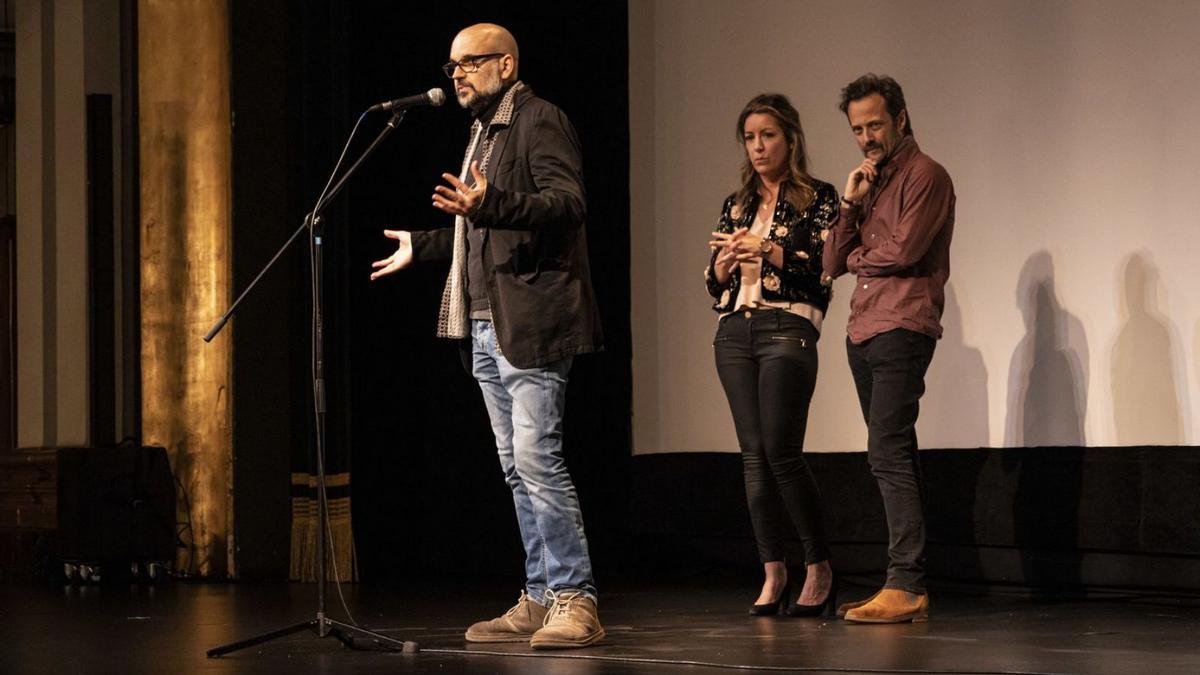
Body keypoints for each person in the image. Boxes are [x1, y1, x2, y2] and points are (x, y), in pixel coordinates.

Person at [369, 23, 605, 649]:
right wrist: (423, 246)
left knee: (538, 461)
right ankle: (537, 596)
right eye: (452, 67)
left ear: (505, 63)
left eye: (469, 63)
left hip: (532, 321)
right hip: (483, 321)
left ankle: (576, 600)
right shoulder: (482, 131)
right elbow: (481, 226)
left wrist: (490, 203)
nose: (458, 76)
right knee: (514, 470)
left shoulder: (539, 120)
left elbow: (567, 204)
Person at [822, 74, 955, 623]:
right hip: (863, 332)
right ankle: (908, 582)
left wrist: (855, 259)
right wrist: (850, 204)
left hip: (903, 325)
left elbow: (902, 251)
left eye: (875, 124)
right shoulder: (870, 184)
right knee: (894, 451)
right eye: (858, 129)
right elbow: (830, 262)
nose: (867, 137)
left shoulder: (928, 175)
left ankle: (906, 582)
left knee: (887, 452)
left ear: (901, 118)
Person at [706, 93, 839, 617]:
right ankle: (773, 570)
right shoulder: (736, 203)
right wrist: (725, 262)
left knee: (781, 452)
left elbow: (823, 268)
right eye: (749, 138)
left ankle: (819, 564)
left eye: (767, 135)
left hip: (788, 326)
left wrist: (766, 250)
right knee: (753, 456)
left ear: (790, 139)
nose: (758, 147)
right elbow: (711, 283)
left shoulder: (819, 198)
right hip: (735, 330)